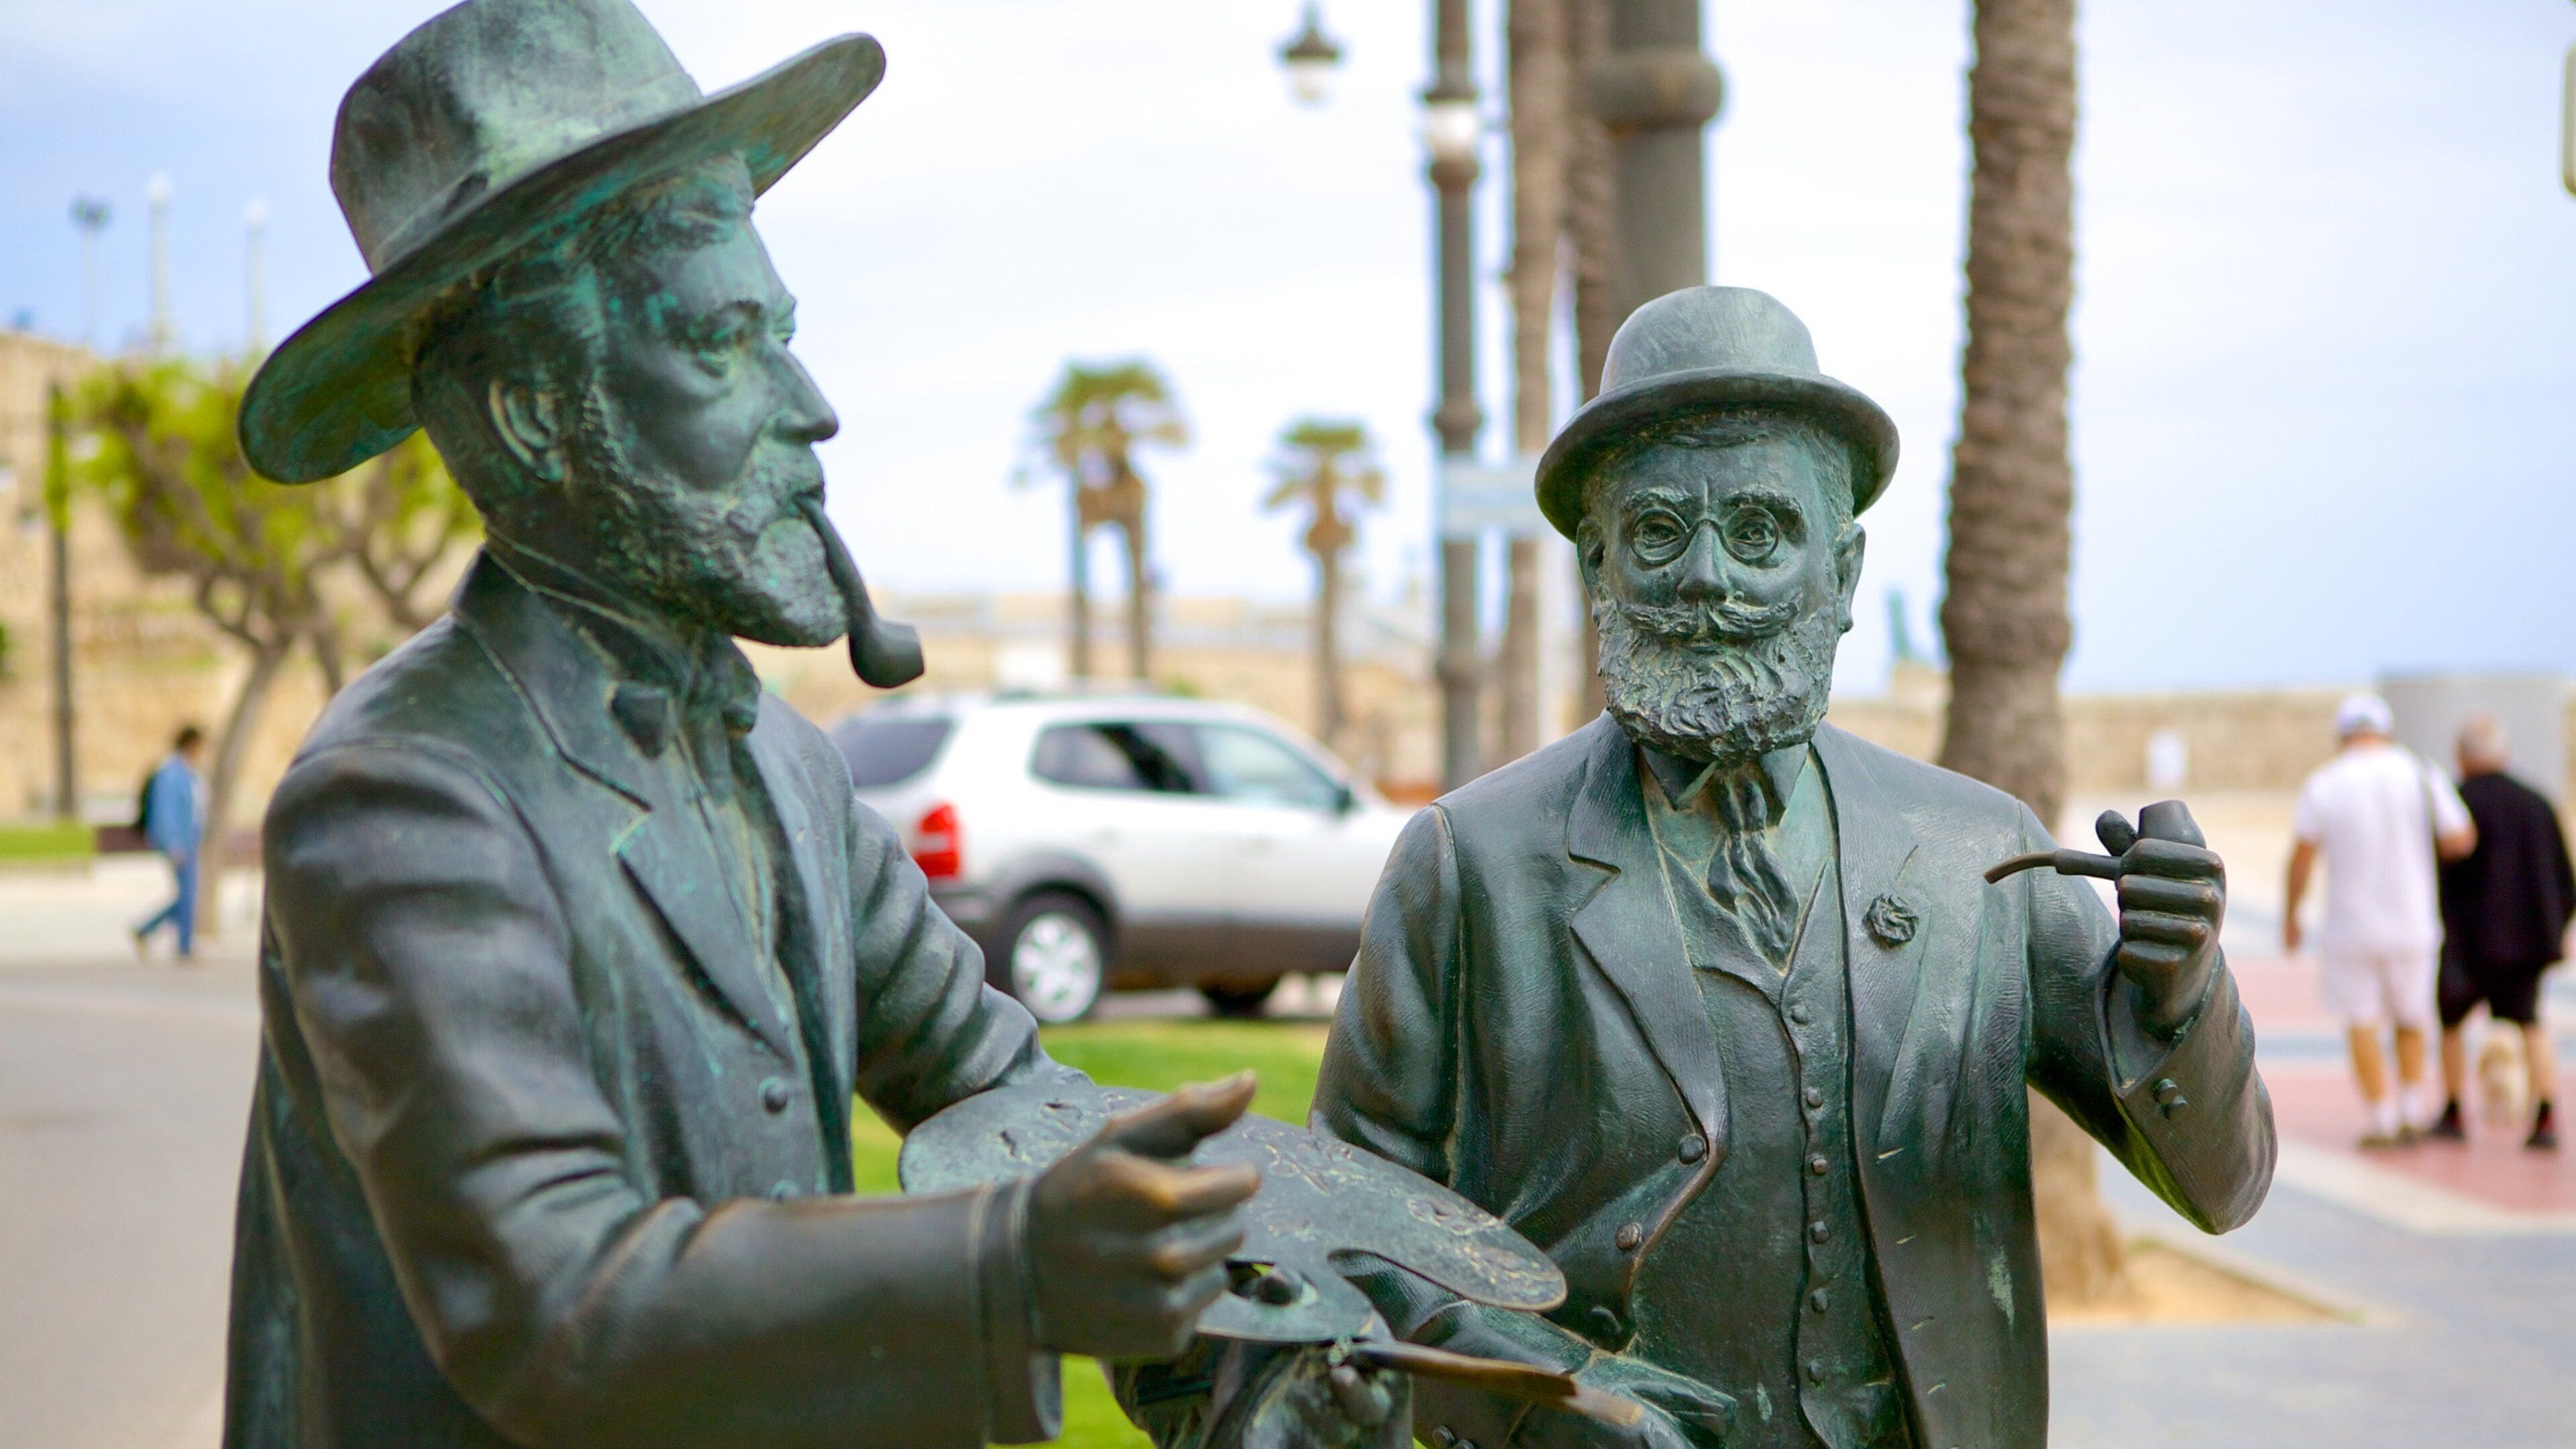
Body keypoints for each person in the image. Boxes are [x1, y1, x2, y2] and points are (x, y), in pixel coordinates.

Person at [220, 4, 1258, 1446]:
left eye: (785, 337)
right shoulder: (400, 799)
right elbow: (548, 1302)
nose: (813, 410)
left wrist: (1279, 1331)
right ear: (531, 415)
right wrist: (1007, 1264)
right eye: (726, 343)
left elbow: (1008, 1088)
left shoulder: (785, 764)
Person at [1313, 287, 2274, 1449]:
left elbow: (2223, 1190)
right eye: (1660, 532)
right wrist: (1536, 1398)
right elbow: (1352, 1226)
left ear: (1847, 574)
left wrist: (2175, 997)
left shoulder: (1980, 853)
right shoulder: (1474, 864)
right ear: (1597, 568)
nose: (1709, 575)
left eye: (1763, 530)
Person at [2282, 692, 2476, 1147]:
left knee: (2361, 1020)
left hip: (2350, 926)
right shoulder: (2419, 772)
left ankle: (2382, 1116)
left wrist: (2292, 915)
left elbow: (2302, 855)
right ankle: (2411, 1106)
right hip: (2413, 920)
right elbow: (2460, 838)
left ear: (2343, 735)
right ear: (2386, 731)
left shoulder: (2325, 782)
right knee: (2412, 1016)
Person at [2427, 714, 2572, 1150]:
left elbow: (2438, 876)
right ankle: (2545, 1114)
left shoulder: (2455, 803)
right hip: (2524, 945)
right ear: (2504, 753)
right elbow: (2565, 879)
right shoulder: (2537, 802)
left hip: (2466, 944)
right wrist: (2553, 928)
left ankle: (2454, 1110)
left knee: (2450, 1022)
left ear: (2462, 757)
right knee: (2531, 1024)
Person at [132, 724, 206, 959]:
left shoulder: (187, 772)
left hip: (189, 842)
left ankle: (146, 930)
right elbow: (166, 813)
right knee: (187, 895)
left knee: (187, 896)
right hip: (179, 845)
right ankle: (183, 946)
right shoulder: (171, 774)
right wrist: (174, 845)